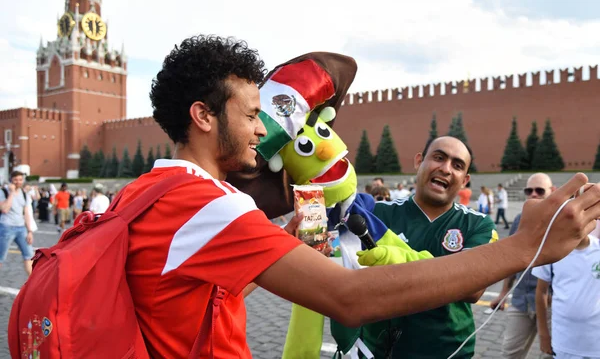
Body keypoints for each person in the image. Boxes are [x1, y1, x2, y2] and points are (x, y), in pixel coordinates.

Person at [116, 35, 599, 358]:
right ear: (203, 116)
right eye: (249, 116)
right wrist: (525, 244)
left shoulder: (150, 191)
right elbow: (348, 298)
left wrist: (283, 247)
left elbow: (201, 297)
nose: (258, 134)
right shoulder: (209, 205)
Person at [361, 136, 497, 358]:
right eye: (439, 157)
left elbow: (473, 287)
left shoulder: (478, 224)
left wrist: (398, 260)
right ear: (418, 161)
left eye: (457, 165)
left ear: (465, 180)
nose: (445, 169)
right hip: (380, 349)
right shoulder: (378, 214)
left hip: (450, 351)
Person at [490, 173, 555, 359]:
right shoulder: (519, 219)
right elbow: (511, 260)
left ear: (552, 192)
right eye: (529, 190)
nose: (533, 194)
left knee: (551, 354)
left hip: (551, 302)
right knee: (510, 352)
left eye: (539, 190)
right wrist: (503, 293)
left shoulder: (562, 222)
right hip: (521, 300)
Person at [533, 233, 600, 359]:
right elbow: (541, 291)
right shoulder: (552, 251)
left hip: (595, 344)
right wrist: (543, 333)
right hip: (564, 341)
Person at [0, 171, 34, 276]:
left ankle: (33, 284)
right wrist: (11, 193)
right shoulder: (3, 192)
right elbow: (4, 209)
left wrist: (30, 231)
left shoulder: (24, 194)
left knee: (29, 256)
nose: (18, 182)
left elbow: (26, 213)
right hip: (6, 227)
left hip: (21, 228)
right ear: (11, 180)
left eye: (20, 179)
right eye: (15, 180)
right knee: (0, 257)